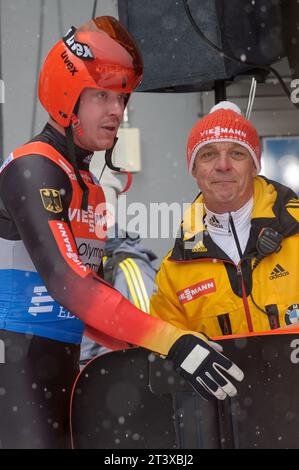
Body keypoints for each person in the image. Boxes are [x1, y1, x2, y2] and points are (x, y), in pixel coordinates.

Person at [0, 18, 243, 448]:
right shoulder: (32, 168)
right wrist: (168, 338)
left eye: (121, 97)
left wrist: (175, 343)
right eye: (101, 96)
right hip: (13, 382)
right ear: (65, 100)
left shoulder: (89, 188)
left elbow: (89, 309)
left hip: (56, 376)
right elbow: (70, 285)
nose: (117, 110)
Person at [151, 101, 299, 344]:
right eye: (209, 154)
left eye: (237, 153)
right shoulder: (176, 269)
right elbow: (163, 352)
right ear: (194, 170)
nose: (223, 165)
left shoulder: (296, 232)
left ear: (254, 166)